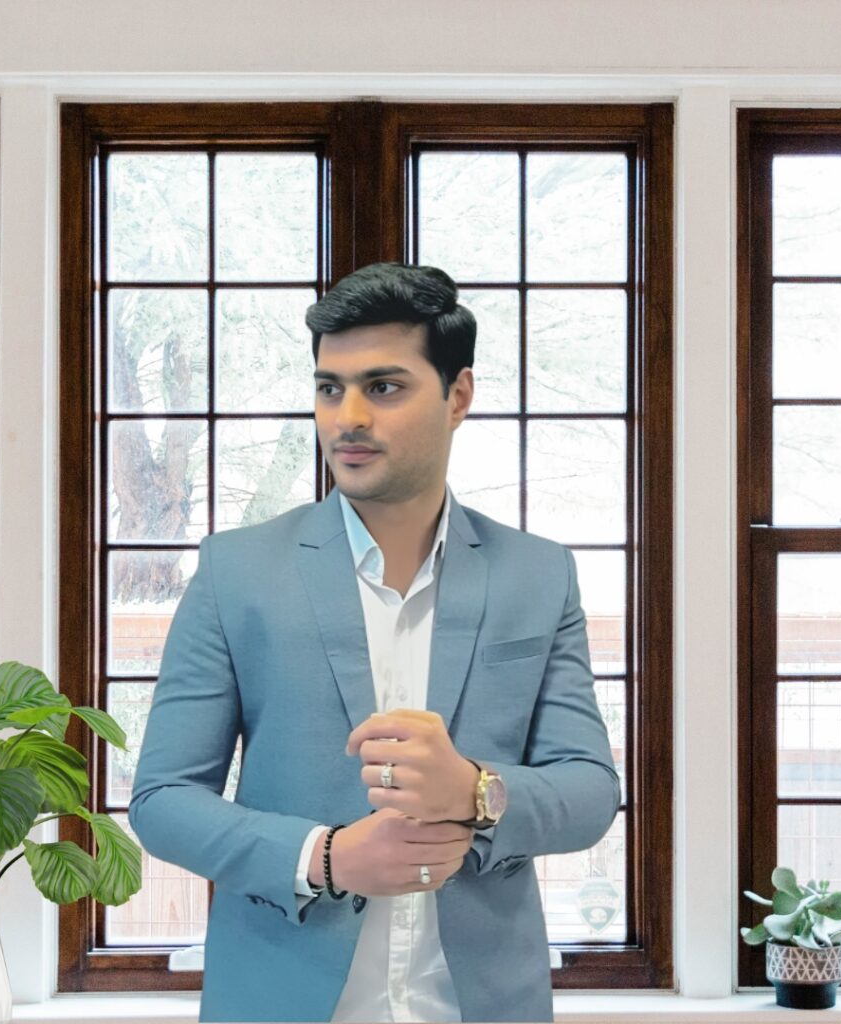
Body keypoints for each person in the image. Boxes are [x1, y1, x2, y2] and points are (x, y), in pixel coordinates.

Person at [128, 262, 619, 1023]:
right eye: (330, 388)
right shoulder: (236, 571)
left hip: (481, 1006)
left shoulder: (539, 575)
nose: (346, 417)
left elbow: (590, 790)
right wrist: (325, 859)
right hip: (282, 1003)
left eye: (383, 387)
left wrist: (475, 792)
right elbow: (162, 799)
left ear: (458, 396)